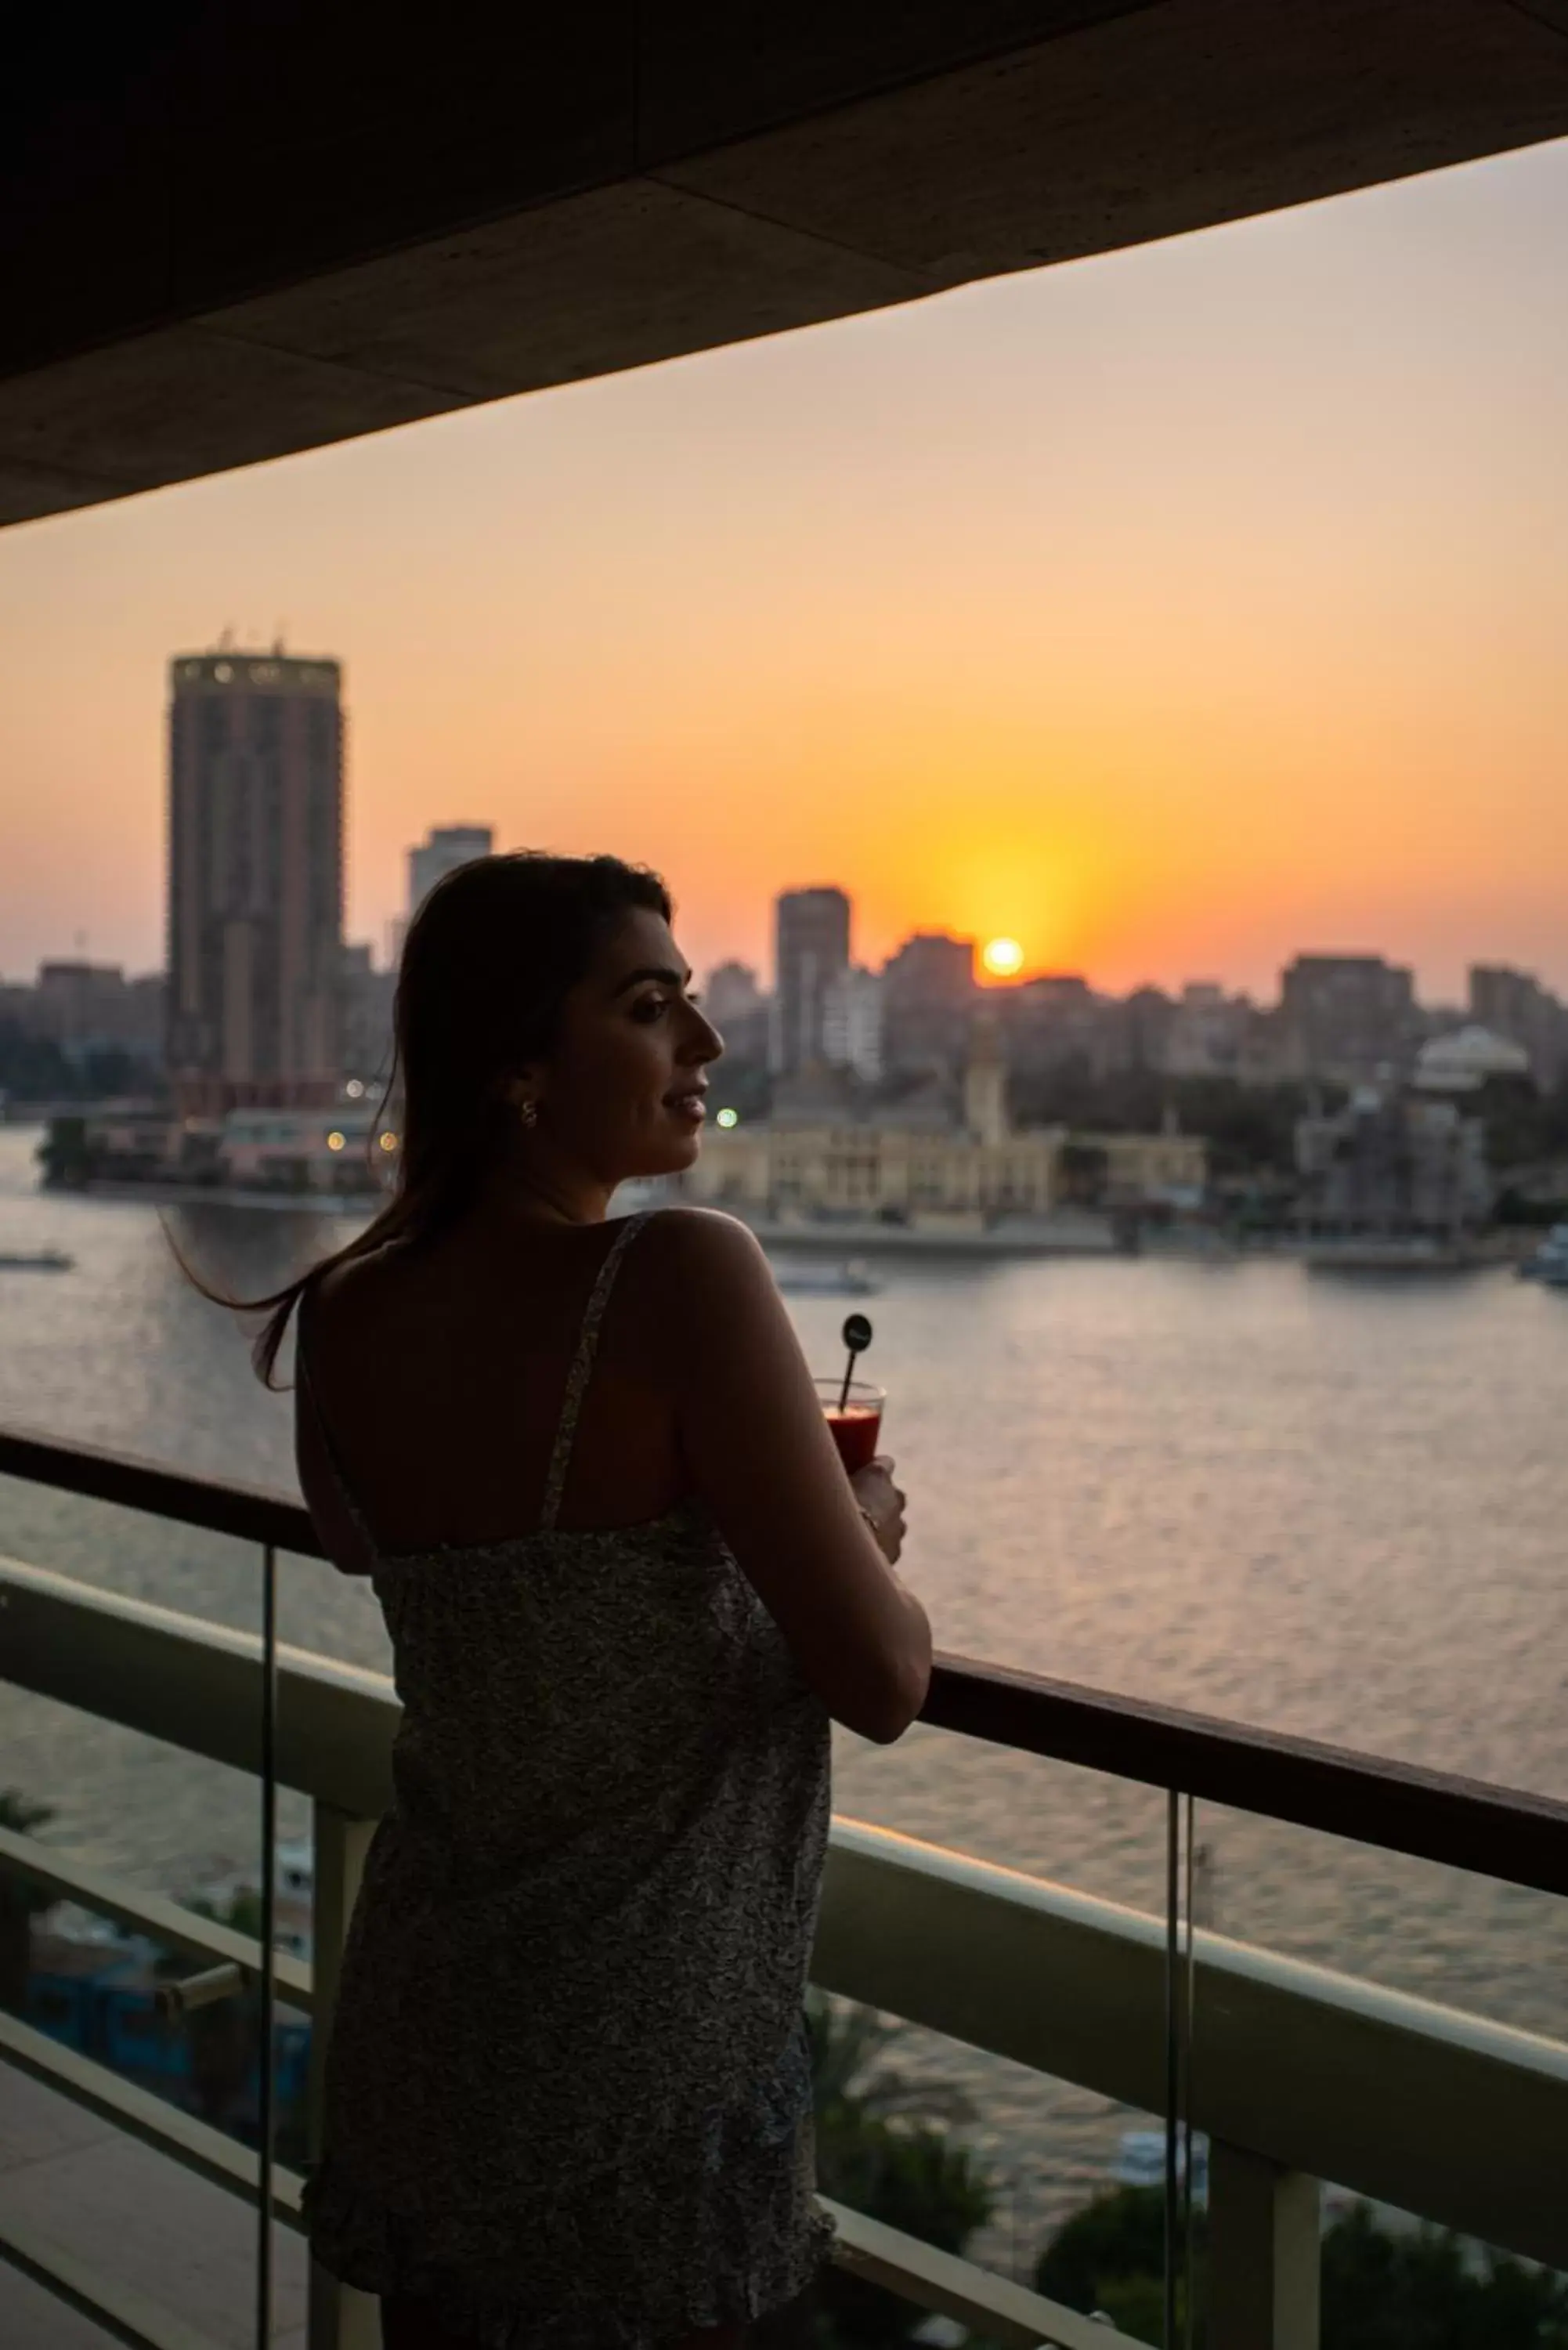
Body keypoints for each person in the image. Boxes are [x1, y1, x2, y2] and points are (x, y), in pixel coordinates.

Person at [239, 852, 930, 2350]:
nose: (707, 1047)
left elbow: (388, 1554)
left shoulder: (348, 1307)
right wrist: (853, 1529)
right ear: (520, 1073)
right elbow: (880, 1678)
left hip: (435, 2039)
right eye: (649, 1007)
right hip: (642, 2075)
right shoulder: (678, 1272)